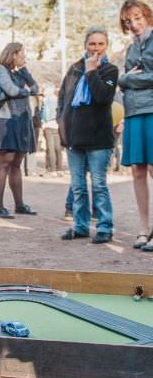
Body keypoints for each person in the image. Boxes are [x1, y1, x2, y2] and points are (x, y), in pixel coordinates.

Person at [57, 26, 118, 244]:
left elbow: (103, 97)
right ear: (85, 45)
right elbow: (63, 98)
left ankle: (105, 227)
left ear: (106, 45)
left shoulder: (110, 70)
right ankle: (80, 226)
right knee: (78, 186)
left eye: (101, 43)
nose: (96, 48)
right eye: (92, 43)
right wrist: (61, 123)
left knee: (99, 185)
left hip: (99, 139)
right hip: (75, 138)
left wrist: (92, 71)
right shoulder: (74, 69)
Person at [118, 0, 153, 251]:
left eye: (137, 18)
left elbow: (132, 79)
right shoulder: (130, 49)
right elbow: (122, 79)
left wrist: (131, 79)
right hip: (132, 113)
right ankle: (144, 229)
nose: (134, 24)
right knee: (137, 171)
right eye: (128, 21)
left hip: (152, 110)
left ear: (147, 17)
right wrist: (129, 78)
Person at [0, 42, 38, 219]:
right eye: (22, 54)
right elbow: (10, 90)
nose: (24, 57)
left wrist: (25, 73)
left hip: (22, 119)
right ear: (13, 54)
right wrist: (26, 92)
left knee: (17, 162)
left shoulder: (19, 73)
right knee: (5, 162)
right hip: (6, 120)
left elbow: (35, 88)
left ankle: (19, 204)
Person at [41, 83, 63, 175]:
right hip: (57, 125)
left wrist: (43, 121)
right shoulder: (58, 100)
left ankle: (52, 169)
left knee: (50, 148)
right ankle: (59, 168)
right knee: (58, 148)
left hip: (48, 125)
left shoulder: (46, 100)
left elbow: (45, 112)